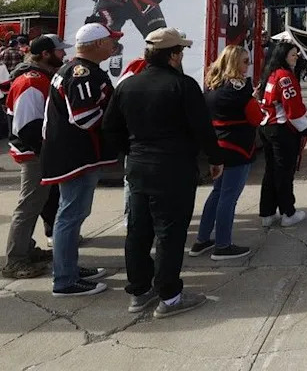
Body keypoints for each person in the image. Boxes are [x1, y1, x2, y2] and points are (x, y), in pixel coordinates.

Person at [102, 28, 224, 318]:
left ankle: (139, 291)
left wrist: (130, 151)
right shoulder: (182, 85)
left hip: (139, 166)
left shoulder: (128, 86)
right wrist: (215, 159)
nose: (181, 56)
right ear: (172, 55)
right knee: (170, 233)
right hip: (174, 168)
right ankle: (170, 297)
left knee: (138, 231)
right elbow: (202, 128)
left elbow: (109, 127)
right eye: (180, 51)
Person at [41, 23, 122, 297]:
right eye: (111, 41)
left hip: (76, 154)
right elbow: (84, 118)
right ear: (98, 44)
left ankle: (69, 269)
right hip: (76, 156)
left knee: (73, 214)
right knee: (70, 216)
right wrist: (117, 122)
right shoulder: (82, 73)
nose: (114, 45)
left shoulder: (79, 70)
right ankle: (64, 280)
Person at [2, 35, 71, 279]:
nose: (64, 55)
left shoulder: (40, 78)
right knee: (29, 205)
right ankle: (16, 260)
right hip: (33, 154)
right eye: (60, 51)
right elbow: (28, 127)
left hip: (35, 152)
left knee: (35, 204)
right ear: (45, 54)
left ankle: (25, 249)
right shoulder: (32, 82)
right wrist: (48, 152)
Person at [189, 45, 262, 261]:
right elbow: (255, 118)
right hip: (237, 147)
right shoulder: (240, 88)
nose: (247, 66)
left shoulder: (212, 85)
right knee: (228, 197)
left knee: (218, 193)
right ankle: (222, 245)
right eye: (245, 61)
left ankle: (202, 240)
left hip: (218, 145)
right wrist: (254, 99)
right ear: (233, 63)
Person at [258, 42, 307, 227]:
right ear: (283, 56)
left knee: (271, 171)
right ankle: (288, 212)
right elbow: (293, 109)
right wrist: (304, 127)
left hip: (267, 127)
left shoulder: (271, 74)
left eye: (296, 54)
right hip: (281, 129)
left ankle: (267, 212)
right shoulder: (285, 77)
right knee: (284, 172)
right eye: (292, 55)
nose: (296, 57)